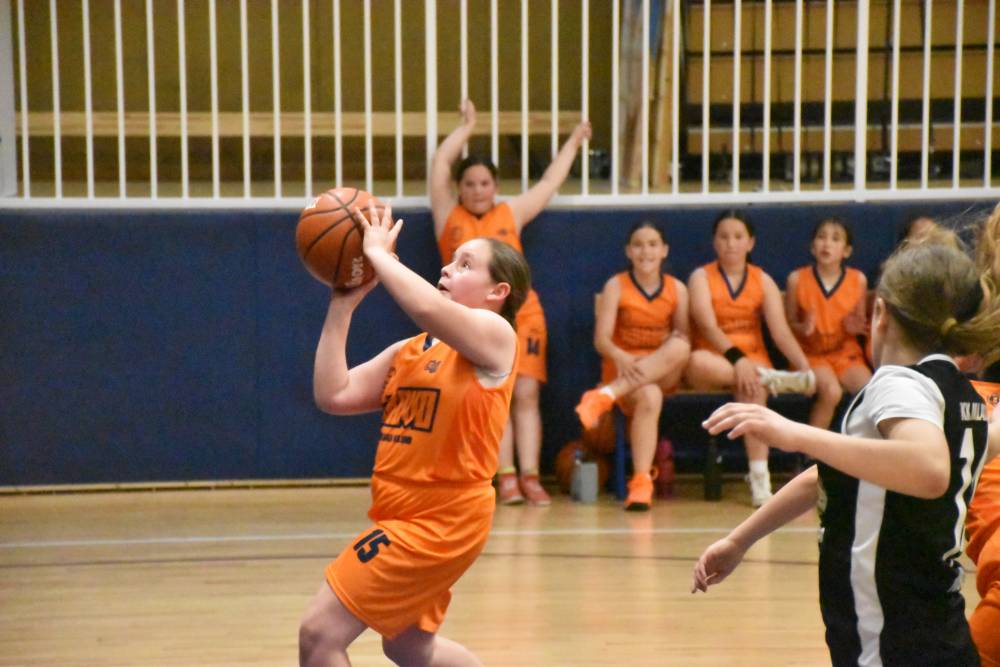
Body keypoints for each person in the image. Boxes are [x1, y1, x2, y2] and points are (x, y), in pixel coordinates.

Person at [692, 213, 1000, 666]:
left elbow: (930, 469)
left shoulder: (900, 383)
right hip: (935, 633)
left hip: (890, 640)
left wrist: (795, 433)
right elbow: (830, 474)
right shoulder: (965, 396)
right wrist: (740, 540)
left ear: (880, 313)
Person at [299, 202, 530, 667]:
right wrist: (342, 304)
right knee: (408, 646)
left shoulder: (497, 336)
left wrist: (377, 255)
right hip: (401, 512)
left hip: (441, 520)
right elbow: (333, 393)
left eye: (465, 264)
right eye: (451, 260)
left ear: (498, 291)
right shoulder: (411, 350)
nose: (447, 268)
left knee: (319, 634)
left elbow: (425, 306)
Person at [430, 98, 592, 506]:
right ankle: (505, 477)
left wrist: (574, 141)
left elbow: (549, 183)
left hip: (522, 314)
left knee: (526, 395)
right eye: (470, 184)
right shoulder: (448, 215)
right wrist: (467, 128)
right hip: (470, 322)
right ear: (459, 188)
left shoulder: (511, 212)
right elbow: (440, 163)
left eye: (484, 183)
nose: (477, 190)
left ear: (496, 187)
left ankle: (531, 475)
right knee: (491, 396)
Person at [684, 211, 816, 507]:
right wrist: (738, 361)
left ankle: (759, 480)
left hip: (754, 360)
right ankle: (769, 378)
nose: (731, 243)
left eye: (738, 236)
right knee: (697, 363)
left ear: (750, 242)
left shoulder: (762, 279)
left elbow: (780, 331)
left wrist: (803, 367)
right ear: (714, 242)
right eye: (724, 237)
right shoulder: (701, 277)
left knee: (752, 391)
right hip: (716, 359)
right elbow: (707, 325)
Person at [574, 222, 691, 511]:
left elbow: (683, 336)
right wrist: (621, 356)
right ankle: (641, 482)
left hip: (662, 366)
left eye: (652, 244)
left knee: (681, 345)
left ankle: (606, 395)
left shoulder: (677, 288)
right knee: (650, 395)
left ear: (664, 250)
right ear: (628, 251)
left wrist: (665, 346)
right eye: (638, 244)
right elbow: (601, 340)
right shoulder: (616, 285)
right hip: (626, 366)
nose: (645, 251)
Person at [785, 218, 872, 432]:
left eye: (835, 239)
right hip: (810, 353)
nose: (827, 244)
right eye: (821, 237)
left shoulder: (858, 280)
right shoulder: (797, 279)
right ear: (812, 247)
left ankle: (862, 447)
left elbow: (859, 324)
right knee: (832, 392)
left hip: (845, 351)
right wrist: (803, 328)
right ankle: (811, 450)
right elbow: (787, 324)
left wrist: (853, 328)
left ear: (846, 251)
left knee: (871, 391)